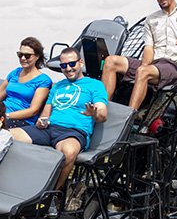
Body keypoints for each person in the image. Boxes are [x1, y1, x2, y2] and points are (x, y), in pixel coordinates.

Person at [10, 47, 108, 195]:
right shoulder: (57, 86)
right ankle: (15, 186)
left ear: (80, 63)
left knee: (68, 152)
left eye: (72, 64)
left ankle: (50, 195)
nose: (68, 68)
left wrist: (94, 114)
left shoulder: (95, 85)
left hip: (72, 132)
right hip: (48, 129)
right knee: (6, 136)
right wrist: (41, 121)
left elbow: (102, 114)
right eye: (63, 65)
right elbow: (45, 113)